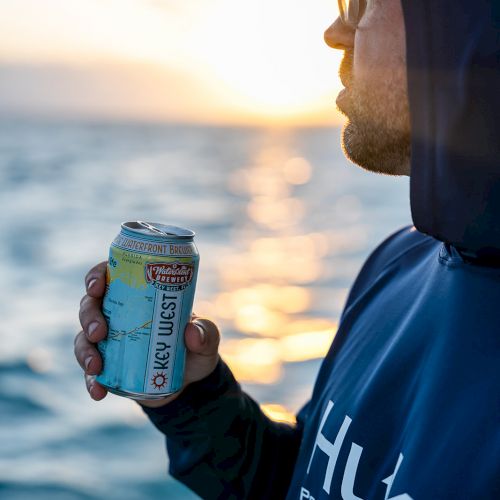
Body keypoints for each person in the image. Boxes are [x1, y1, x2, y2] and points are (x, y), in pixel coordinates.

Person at [75, 0, 500, 497]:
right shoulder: (399, 263)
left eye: (359, 3)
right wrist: (194, 400)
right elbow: (306, 483)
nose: (335, 32)